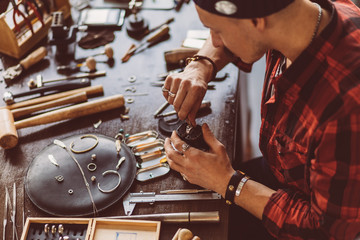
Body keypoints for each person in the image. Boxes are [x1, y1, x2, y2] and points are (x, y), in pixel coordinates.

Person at [162, 0, 360, 239]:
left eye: (217, 30)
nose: (213, 42)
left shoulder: (347, 108)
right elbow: (237, 36)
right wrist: (202, 65)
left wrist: (228, 181)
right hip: (279, 172)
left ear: (257, 21)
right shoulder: (298, 17)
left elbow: (324, 230)